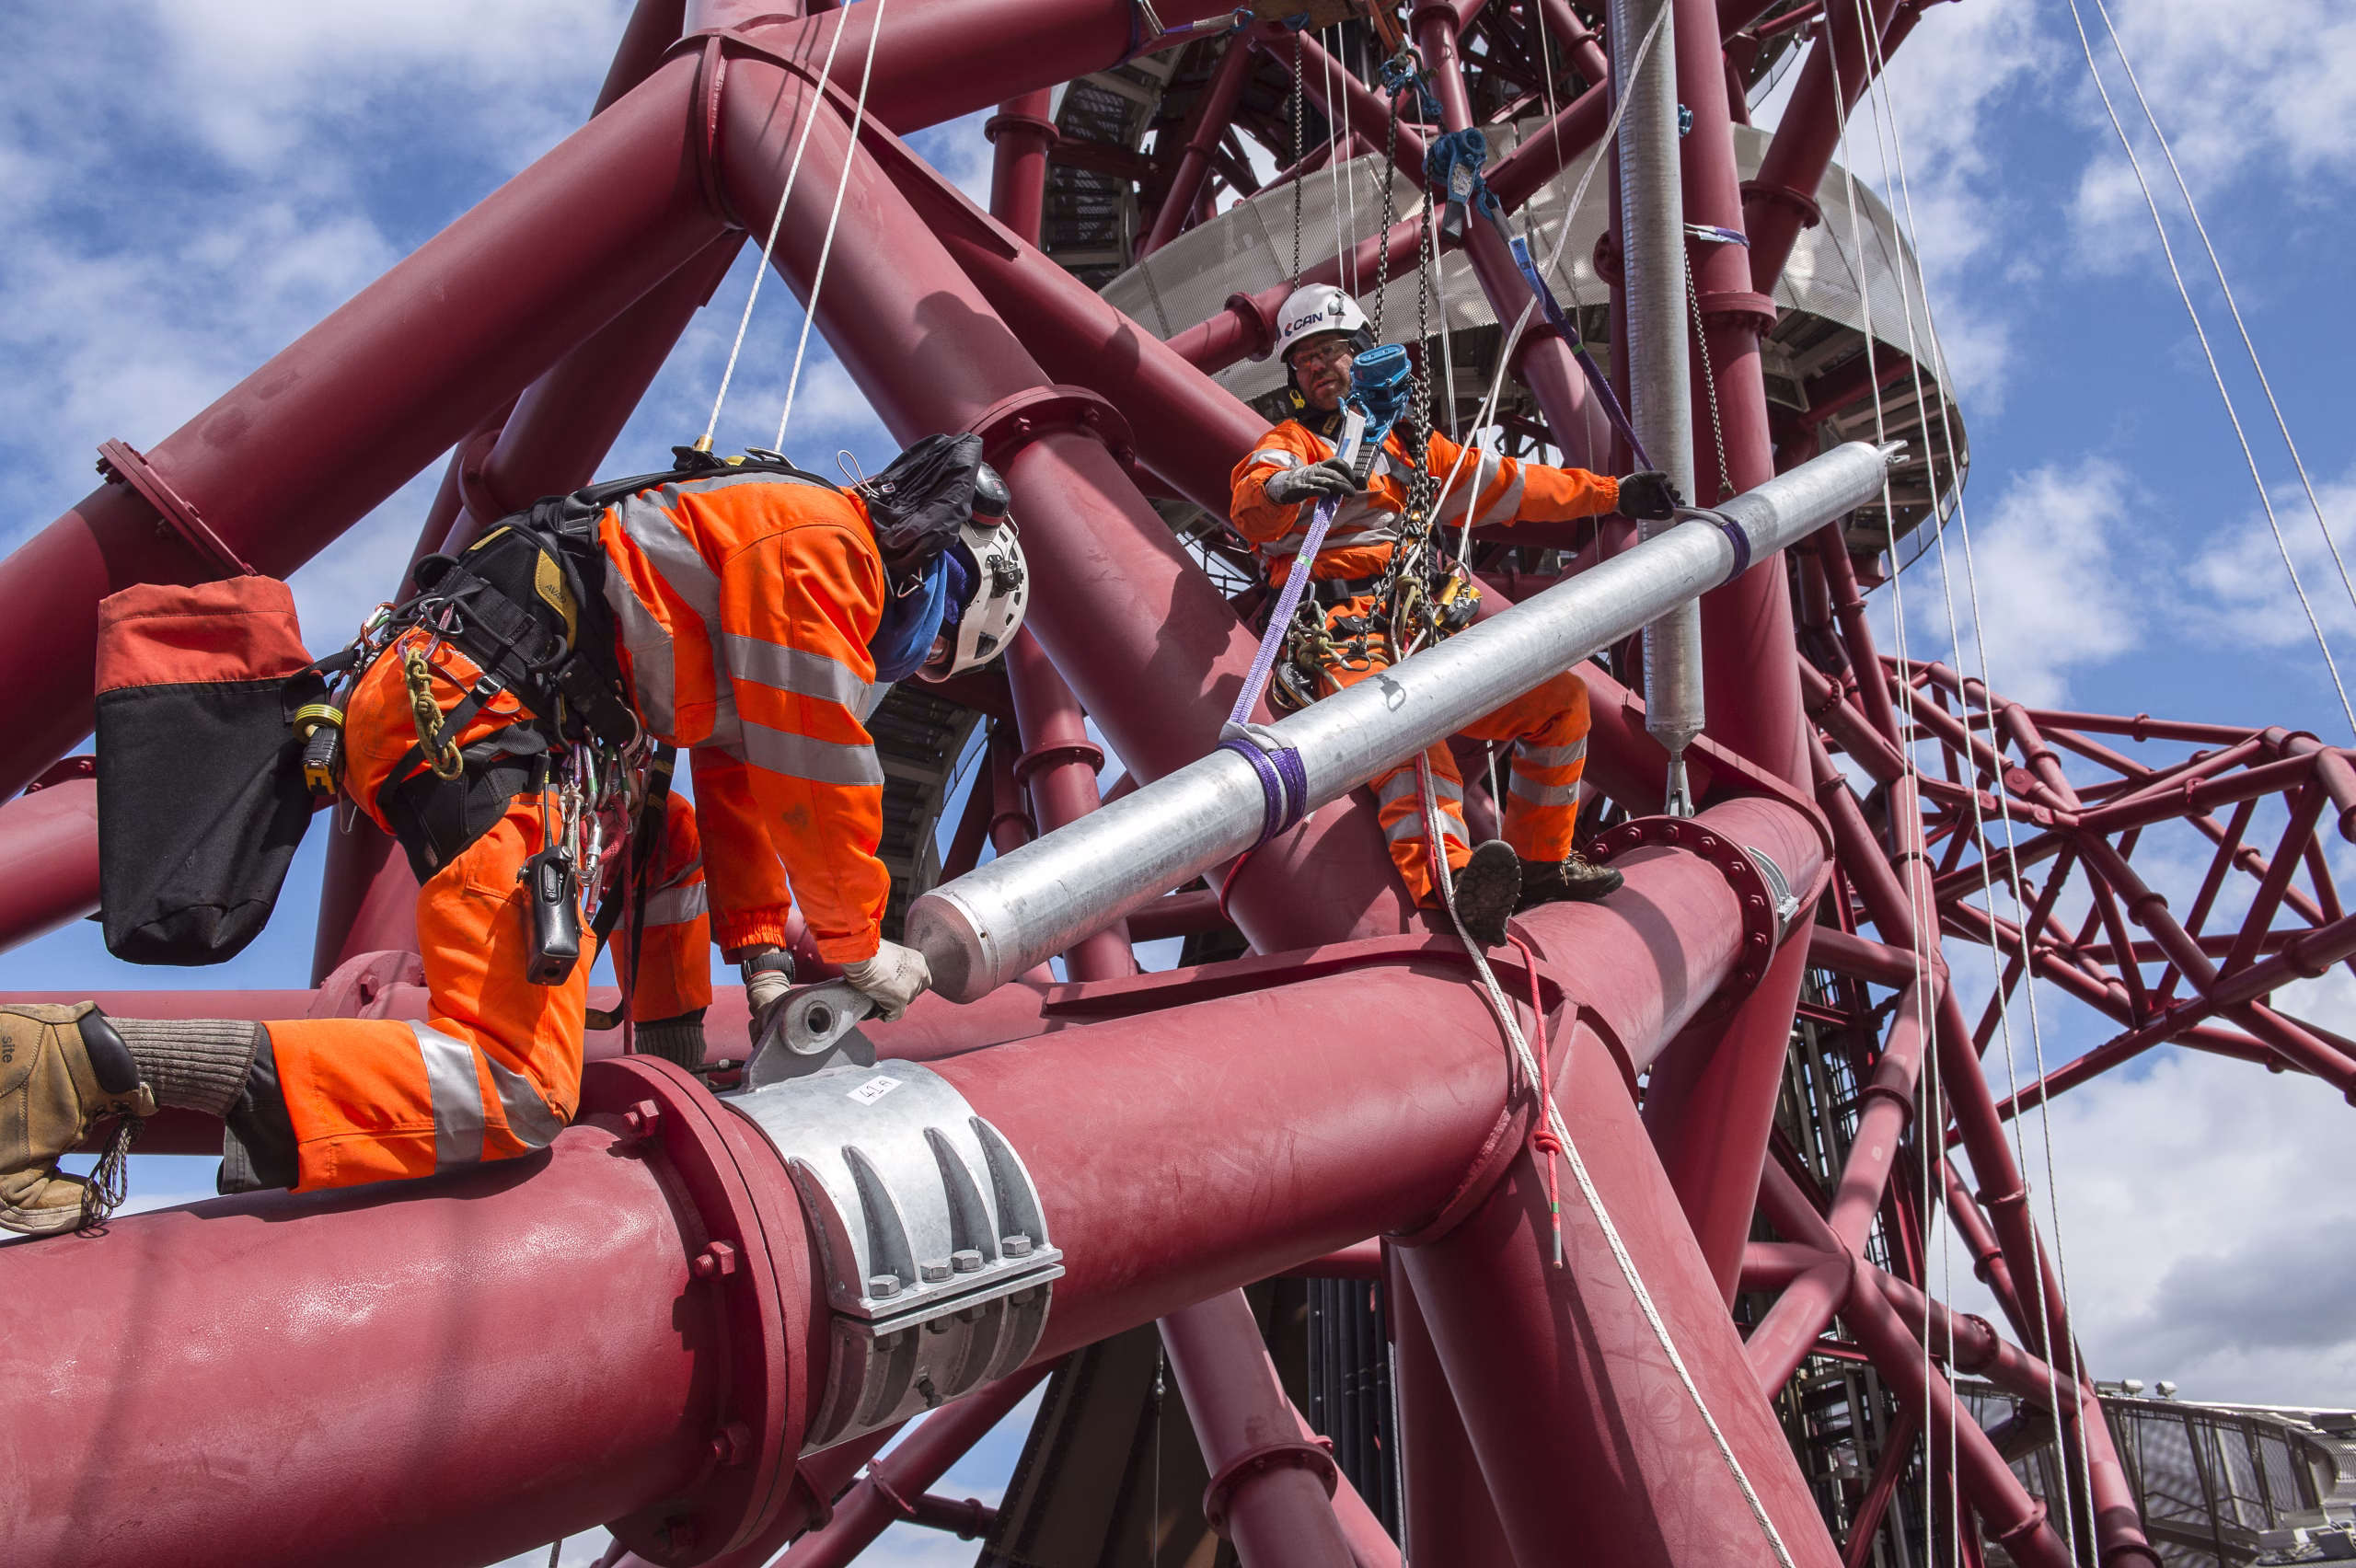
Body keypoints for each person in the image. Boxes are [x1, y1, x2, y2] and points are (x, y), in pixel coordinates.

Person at [0, 437, 1028, 1237]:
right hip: (480, 727)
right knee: (513, 1090)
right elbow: (816, 763)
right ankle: (70, 1069)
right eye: (937, 648)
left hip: (485, 714)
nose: (915, 662)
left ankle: (675, 1075)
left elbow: (738, 785)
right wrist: (856, 943)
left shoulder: (782, 529)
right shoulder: (823, 550)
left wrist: (760, 960)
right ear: (941, 575)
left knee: (668, 847)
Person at [1229, 284, 1682, 944]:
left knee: (1560, 702)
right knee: (1413, 747)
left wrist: (1614, 495)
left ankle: (1541, 862)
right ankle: (1454, 886)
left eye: (1331, 352)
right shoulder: (1292, 443)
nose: (1321, 367)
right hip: (1343, 643)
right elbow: (1253, 497)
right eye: (1305, 362)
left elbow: (1514, 485)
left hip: (1420, 633)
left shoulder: (1416, 455)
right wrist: (1285, 486)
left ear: (1362, 355)